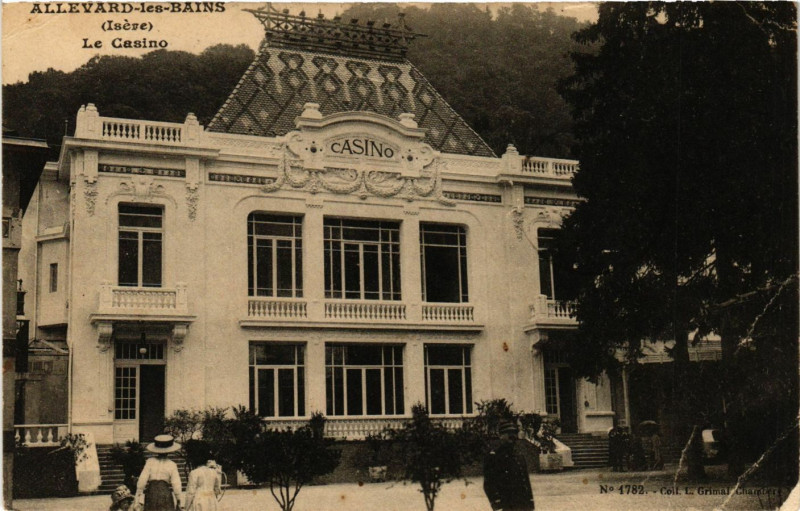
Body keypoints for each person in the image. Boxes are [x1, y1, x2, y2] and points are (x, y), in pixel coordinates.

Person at [483, 420, 535, 511]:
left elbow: (525, 481)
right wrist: (497, 504)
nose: (513, 437)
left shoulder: (519, 457)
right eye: (509, 433)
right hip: (506, 505)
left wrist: (530, 503)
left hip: (523, 504)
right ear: (501, 436)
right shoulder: (494, 457)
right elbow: (489, 484)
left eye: (514, 433)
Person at [136, 434, 184, 511]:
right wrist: (179, 500)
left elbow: (142, 479)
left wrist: (138, 494)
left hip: (151, 493)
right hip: (165, 493)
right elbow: (176, 484)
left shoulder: (150, 462)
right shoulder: (172, 464)